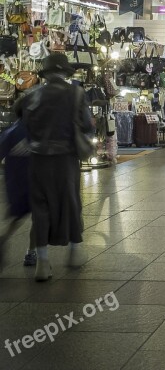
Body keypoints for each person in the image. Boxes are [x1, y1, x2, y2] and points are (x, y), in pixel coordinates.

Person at [15, 53, 92, 281]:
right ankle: (75, 252)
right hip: (65, 159)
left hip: (38, 159)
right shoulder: (76, 94)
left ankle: (42, 261)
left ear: (45, 74)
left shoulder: (32, 94)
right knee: (70, 201)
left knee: (41, 207)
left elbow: (19, 115)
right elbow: (87, 124)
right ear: (66, 72)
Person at [0, 119, 36, 271]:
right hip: (35, 182)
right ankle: (31, 252)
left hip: (14, 185)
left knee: (16, 219)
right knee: (37, 218)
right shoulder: (36, 131)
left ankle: (3, 241)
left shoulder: (9, 132)